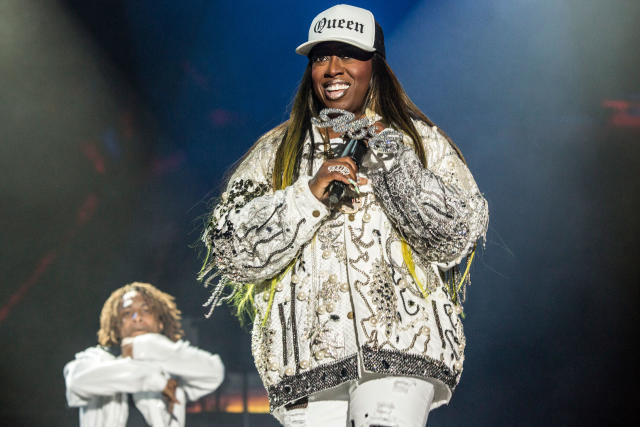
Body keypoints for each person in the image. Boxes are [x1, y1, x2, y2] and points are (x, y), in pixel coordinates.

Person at [199, 4, 488, 426]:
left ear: (375, 64)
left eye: (348, 54)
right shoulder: (276, 152)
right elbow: (230, 248)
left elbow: (455, 235)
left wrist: (393, 166)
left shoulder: (419, 141)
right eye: (320, 57)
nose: (332, 68)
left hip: (401, 353)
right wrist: (308, 194)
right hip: (307, 365)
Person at [63, 282, 224, 427]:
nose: (137, 317)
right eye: (127, 313)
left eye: (146, 310)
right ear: (117, 326)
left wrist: (144, 345)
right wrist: (157, 381)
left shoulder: (174, 368)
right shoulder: (96, 359)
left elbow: (214, 372)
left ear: (160, 323)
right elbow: (76, 383)